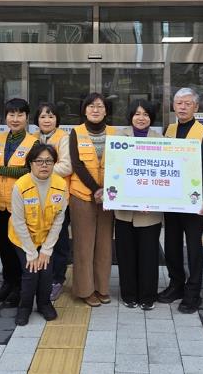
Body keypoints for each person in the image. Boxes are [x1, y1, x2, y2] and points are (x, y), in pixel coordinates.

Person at [157, 88, 203, 314]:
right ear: (173, 105)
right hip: (171, 199)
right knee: (171, 244)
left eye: (187, 103)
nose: (182, 107)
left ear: (196, 107)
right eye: (179, 103)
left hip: (193, 199)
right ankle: (176, 284)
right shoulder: (169, 130)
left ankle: (193, 292)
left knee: (194, 247)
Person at [8, 143, 69, 325]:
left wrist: (46, 250)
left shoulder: (61, 185)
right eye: (39, 161)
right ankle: (25, 307)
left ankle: (44, 304)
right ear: (30, 163)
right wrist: (31, 252)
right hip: (23, 238)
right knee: (31, 271)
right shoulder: (21, 185)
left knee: (46, 271)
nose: (44, 165)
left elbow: (58, 220)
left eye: (49, 161)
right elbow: (18, 222)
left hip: (46, 237)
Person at [0, 98, 38, 307]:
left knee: (19, 246)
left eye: (20, 115)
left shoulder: (34, 142)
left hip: (20, 205)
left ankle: (19, 287)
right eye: (11, 114)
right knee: (3, 246)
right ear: (5, 117)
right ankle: (8, 283)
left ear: (27, 118)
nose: (15, 119)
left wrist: (0, 170)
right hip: (0, 203)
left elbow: (30, 170)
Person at [69, 93, 116, 307]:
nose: (95, 110)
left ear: (106, 110)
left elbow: (120, 163)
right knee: (83, 245)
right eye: (91, 106)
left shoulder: (115, 133)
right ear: (84, 110)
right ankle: (85, 290)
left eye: (99, 106)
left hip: (109, 197)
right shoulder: (76, 132)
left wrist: (106, 190)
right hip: (82, 196)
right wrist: (96, 189)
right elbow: (77, 164)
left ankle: (102, 288)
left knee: (105, 244)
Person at [115, 100, 163, 311]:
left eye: (145, 114)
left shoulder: (160, 141)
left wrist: (151, 200)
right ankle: (128, 294)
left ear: (151, 117)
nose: (141, 118)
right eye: (137, 114)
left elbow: (162, 176)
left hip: (149, 212)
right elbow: (113, 170)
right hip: (124, 211)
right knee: (126, 254)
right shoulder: (119, 138)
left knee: (149, 255)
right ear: (130, 116)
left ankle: (147, 296)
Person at [33, 103, 72, 301]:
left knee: (59, 241)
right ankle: (40, 277)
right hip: (35, 199)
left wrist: (40, 170)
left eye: (51, 116)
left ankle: (57, 279)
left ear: (57, 119)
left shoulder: (63, 138)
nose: (47, 120)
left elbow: (67, 166)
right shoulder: (32, 138)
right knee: (38, 239)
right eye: (42, 117)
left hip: (59, 199)